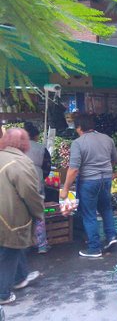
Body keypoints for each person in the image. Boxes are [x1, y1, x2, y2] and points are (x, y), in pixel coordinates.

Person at [61, 114, 117, 258]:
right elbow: (115, 160)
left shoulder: (78, 143)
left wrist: (66, 189)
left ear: (79, 127)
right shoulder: (107, 139)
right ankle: (112, 237)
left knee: (89, 214)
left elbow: (74, 169)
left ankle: (94, 248)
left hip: (88, 182)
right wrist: (104, 170)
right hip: (105, 180)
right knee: (106, 209)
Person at [0, 129, 43, 305]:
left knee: (13, 250)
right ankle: (3, 294)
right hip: (10, 218)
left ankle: (20, 278)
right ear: (24, 144)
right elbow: (30, 193)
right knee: (10, 251)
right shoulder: (20, 162)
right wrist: (39, 212)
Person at [23, 122, 52, 254]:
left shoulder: (17, 148)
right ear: (35, 136)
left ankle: (24, 244)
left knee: (22, 213)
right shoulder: (41, 148)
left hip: (20, 184)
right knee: (39, 214)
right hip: (37, 183)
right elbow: (47, 167)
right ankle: (41, 245)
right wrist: (42, 177)